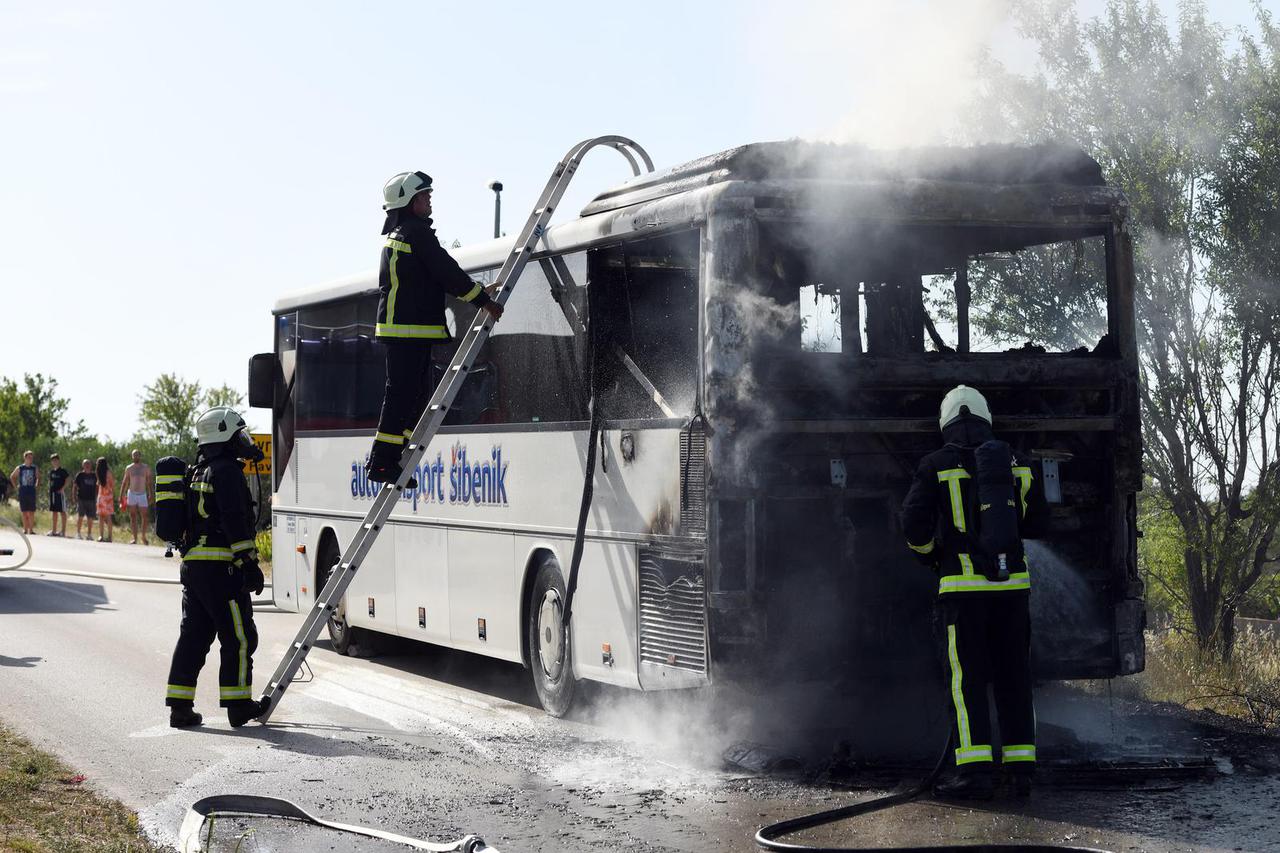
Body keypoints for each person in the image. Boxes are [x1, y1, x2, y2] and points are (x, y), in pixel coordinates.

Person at [899, 385, 1046, 800]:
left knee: (967, 682)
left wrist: (931, 556)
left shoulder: (935, 464)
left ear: (945, 423)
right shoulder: (1016, 463)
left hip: (962, 595)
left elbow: (912, 525)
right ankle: (1020, 771)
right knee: (1015, 678)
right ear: (986, 419)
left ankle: (973, 772)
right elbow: (1037, 525)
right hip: (1012, 591)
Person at [365, 170, 503, 484]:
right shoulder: (416, 233)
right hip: (408, 331)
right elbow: (445, 271)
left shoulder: (404, 233)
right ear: (408, 201)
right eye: (424, 195)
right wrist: (483, 300)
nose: (429, 200)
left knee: (416, 395)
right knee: (402, 396)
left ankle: (393, 455)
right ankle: (381, 462)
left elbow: (434, 275)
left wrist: (479, 291)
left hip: (408, 331)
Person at [164, 406, 268, 728]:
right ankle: (239, 705)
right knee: (239, 636)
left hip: (194, 568)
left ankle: (180, 708)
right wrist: (249, 563)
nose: (245, 441)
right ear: (224, 436)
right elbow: (234, 520)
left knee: (193, 636)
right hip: (221, 569)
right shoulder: (226, 471)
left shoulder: (196, 471)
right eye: (240, 435)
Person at [119, 449, 153, 545]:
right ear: (132, 456)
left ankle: (143, 536)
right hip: (132, 493)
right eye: (134, 455)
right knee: (133, 516)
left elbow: (149, 482)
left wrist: (151, 494)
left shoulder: (145, 468)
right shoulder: (129, 468)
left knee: (145, 516)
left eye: (137, 455)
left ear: (140, 456)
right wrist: (121, 494)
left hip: (142, 493)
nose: (136, 457)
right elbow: (125, 482)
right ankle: (134, 538)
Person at [9, 451, 39, 535]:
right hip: (23, 491)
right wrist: (16, 487)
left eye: (31, 457)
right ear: (25, 458)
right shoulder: (20, 468)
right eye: (29, 457)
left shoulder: (34, 468)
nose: (30, 459)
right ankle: (25, 529)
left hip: (31, 491)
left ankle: (31, 530)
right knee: (24, 511)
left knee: (32, 511)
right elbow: (12, 476)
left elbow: (38, 477)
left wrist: (36, 484)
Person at [72, 459, 98, 540]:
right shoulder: (80, 475)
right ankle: (78, 533)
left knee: (90, 518)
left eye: (88, 464)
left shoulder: (94, 476)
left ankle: (89, 534)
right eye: (85, 464)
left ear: (91, 465)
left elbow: (97, 487)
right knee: (80, 516)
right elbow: (75, 486)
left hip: (91, 499)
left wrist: (97, 497)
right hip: (81, 498)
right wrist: (73, 496)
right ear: (83, 465)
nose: (87, 465)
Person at [46, 453, 69, 537]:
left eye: (56, 460)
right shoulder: (52, 472)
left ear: (58, 461)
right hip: (53, 494)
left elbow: (67, 480)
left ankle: (63, 531)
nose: (54, 462)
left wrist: (62, 488)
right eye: (53, 460)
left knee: (62, 511)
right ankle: (54, 530)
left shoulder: (62, 471)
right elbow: (50, 481)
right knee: (54, 512)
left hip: (60, 494)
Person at [95, 457, 115, 542]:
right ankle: (102, 536)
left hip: (106, 496)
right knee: (101, 516)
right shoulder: (100, 473)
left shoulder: (107, 473)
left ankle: (109, 537)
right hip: (102, 496)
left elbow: (111, 484)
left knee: (107, 516)